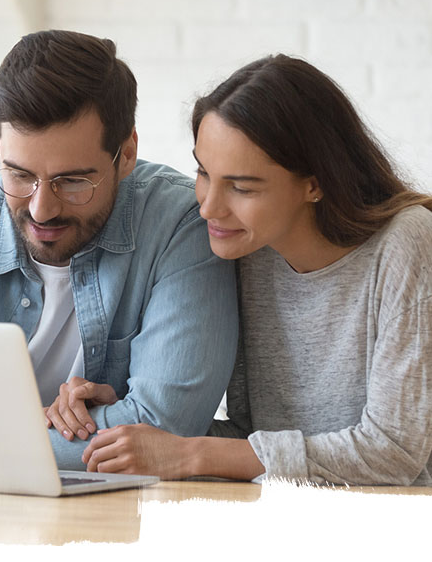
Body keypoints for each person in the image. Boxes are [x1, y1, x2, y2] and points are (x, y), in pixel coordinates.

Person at [0, 30, 238, 469]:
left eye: (72, 181)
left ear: (125, 154)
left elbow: (166, 428)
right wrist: (87, 422)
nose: (41, 209)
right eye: (18, 174)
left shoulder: (180, 224)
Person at [82, 54, 432, 485]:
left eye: (242, 187)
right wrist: (128, 424)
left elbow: (393, 453)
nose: (207, 207)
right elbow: (254, 441)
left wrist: (191, 453)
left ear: (315, 183)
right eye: (204, 173)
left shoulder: (407, 242)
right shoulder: (250, 252)